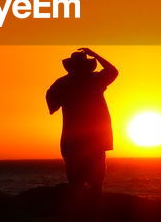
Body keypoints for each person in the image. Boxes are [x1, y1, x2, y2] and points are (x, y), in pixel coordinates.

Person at [46, 47, 118, 194]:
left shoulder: (62, 83)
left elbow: (52, 103)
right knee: (96, 181)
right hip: (96, 138)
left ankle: (79, 211)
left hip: (72, 138)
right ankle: (92, 210)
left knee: (75, 180)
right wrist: (95, 54)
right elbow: (113, 71)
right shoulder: (95, 80)